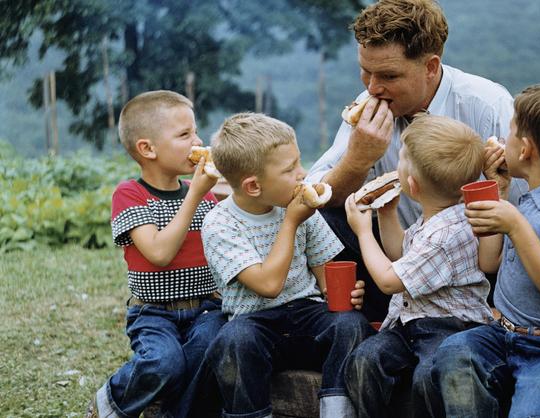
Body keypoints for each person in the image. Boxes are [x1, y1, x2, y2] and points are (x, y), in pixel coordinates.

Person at [306, 0, 527, 321]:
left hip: (476, 269)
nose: (373, 87)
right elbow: (316, 194)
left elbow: (527, 208)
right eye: (365, 72)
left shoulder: (486, 106)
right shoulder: (367, 107)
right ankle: (359, 321)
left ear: (431, 67)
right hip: (396, 260)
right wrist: (357, 160)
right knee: (323, 221)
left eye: (389, 76)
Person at [430, 84, 540, 417]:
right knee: (454, 353)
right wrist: (499, 192)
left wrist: (515, 224)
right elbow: (489, 261)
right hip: (504, 335)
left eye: (509, 132)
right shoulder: (528, 198)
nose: (502, 138)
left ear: (525, 150)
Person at [189, 112, 374, 418]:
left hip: (306, 313)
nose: (302, 174)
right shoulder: (220, 223)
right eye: (290, 169)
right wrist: (290, 222)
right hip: (254, 321)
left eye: (299, 162)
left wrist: (344, 293)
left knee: (351, 324)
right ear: (253, 186)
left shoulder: (303, 210)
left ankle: (337, 410)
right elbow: (268, 285)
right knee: (233, 341)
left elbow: (325, 274)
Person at [342, 114, 495, 418]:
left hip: (449, 327)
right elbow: (402, 255)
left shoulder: (446, 234)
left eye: (400, 158)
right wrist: (387, 215)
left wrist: (362, 231)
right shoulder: (435, 218)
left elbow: (388, 280)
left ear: (411, 184)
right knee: (364, 361)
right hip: (409, 324)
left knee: (428, 378)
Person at [86, 90, 227, 418]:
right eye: (184, 134)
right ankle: (111, 400)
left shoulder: (207, 199)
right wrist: (195, 194)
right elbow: (159, 253)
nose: (198, 141)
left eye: (195, 131)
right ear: (147, 149)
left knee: (206, 350)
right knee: (164, 363)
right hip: (153, 312)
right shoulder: (130, 194)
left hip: (205, 307)